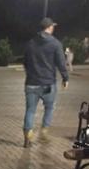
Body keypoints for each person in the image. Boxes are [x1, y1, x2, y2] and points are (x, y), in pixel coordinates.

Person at [22, 17, 69, 148]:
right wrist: (65, 78)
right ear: (49, 27)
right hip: (48, 83)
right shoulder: (55, 44)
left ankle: (27, 136)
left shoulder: (30, 43)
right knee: (49, 107)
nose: (53, 28)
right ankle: (44, 131)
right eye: (52, 26)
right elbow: (61, 63)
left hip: (31, 83)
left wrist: (31, 74)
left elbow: (25, 62)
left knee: (30, 110)